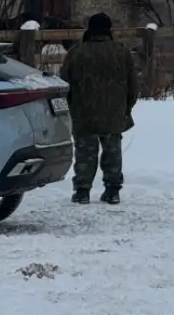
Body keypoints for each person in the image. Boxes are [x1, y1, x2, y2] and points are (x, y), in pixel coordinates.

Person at [59, 13, 138, 205]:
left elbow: (64, 84)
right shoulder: (122, 52)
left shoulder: (76, 53)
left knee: (85, 153)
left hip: (83, 112)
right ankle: (112, 190)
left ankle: (82, 191)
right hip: (114, 112)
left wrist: (71, 108)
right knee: (113, 151)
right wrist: (126, 107)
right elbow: (133, 85)